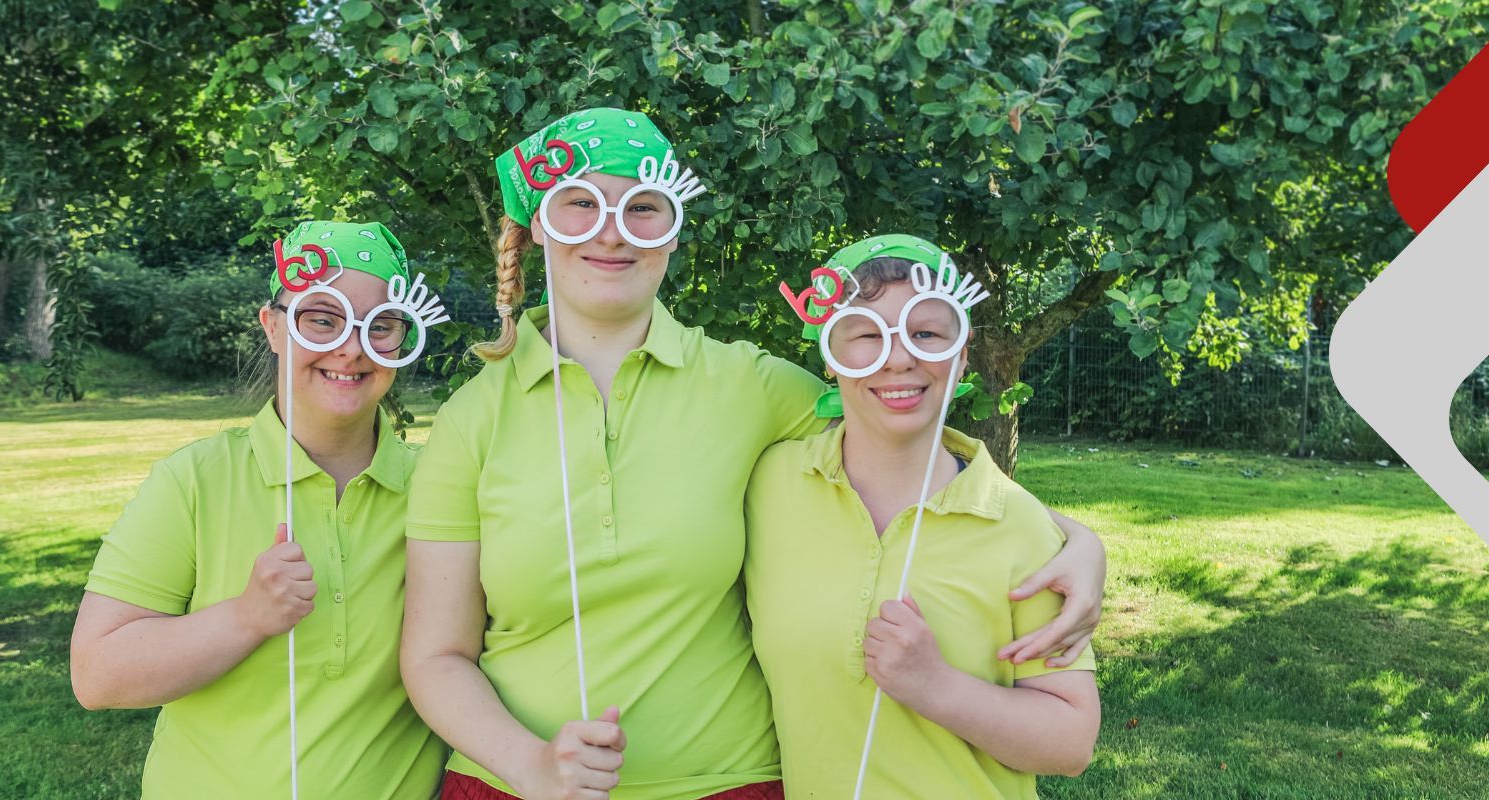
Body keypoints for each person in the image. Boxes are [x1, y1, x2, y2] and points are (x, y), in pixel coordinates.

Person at [400, 109, 1106, 800]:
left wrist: (1074, 540)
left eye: (643, 207)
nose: (612, 233)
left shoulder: (753, 387)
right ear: (535, 231)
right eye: (580, 205)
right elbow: (435, 656)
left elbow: (898, 432)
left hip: (727, 782)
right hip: (512, 785)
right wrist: (530, 767)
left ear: (673, 232)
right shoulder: (471, 421)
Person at [70, 221, 447, 799]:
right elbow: (97, 675)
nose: (350, 348)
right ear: (273, 327)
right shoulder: (193, 480)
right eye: (322, 319)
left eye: (381, 325)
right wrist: (245, 617)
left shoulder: (441, 489)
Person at [747, 235, 1101, 799]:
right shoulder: (769, 485)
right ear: (830, 356)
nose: (899, 358)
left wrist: (936, 687)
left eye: (926, 332)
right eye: (866, 335)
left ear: (962, 354)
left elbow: (1072, 742)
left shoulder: (1021, 527)